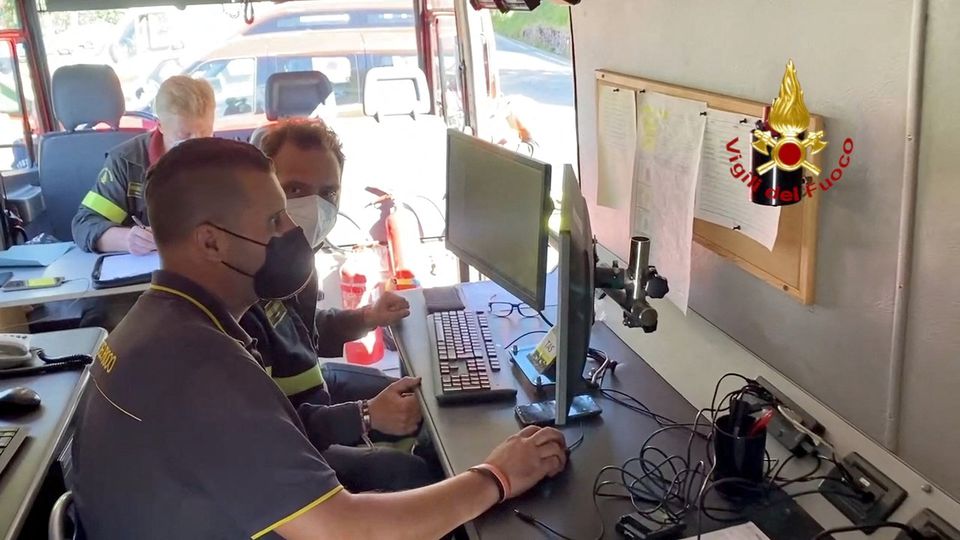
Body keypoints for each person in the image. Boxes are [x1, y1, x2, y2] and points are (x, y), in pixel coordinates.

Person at [71, 137, 567, 539]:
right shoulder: (201, 365)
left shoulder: (162, 321)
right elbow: (347, 531)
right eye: (274, 220)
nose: (293, 229)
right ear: (209, 241)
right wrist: (497, 476)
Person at [241, 119, 436, 492]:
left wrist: (367, 317)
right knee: (409, 474)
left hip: (313, 390)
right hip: (290, 444)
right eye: (295, 189)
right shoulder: (244, 285)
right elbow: (263, 431)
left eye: (328, 193)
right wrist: (362, 418)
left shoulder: (296, 258)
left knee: (420, 402)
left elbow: (303, 334)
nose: (314, 205)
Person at [71, 75, 215, 254]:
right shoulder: (126, 163)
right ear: (160, 126)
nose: (198, 144)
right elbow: (85, 224)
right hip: (146, 271)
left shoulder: (229, 162)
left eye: (206, 133)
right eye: (184, 135)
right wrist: (127, 239)